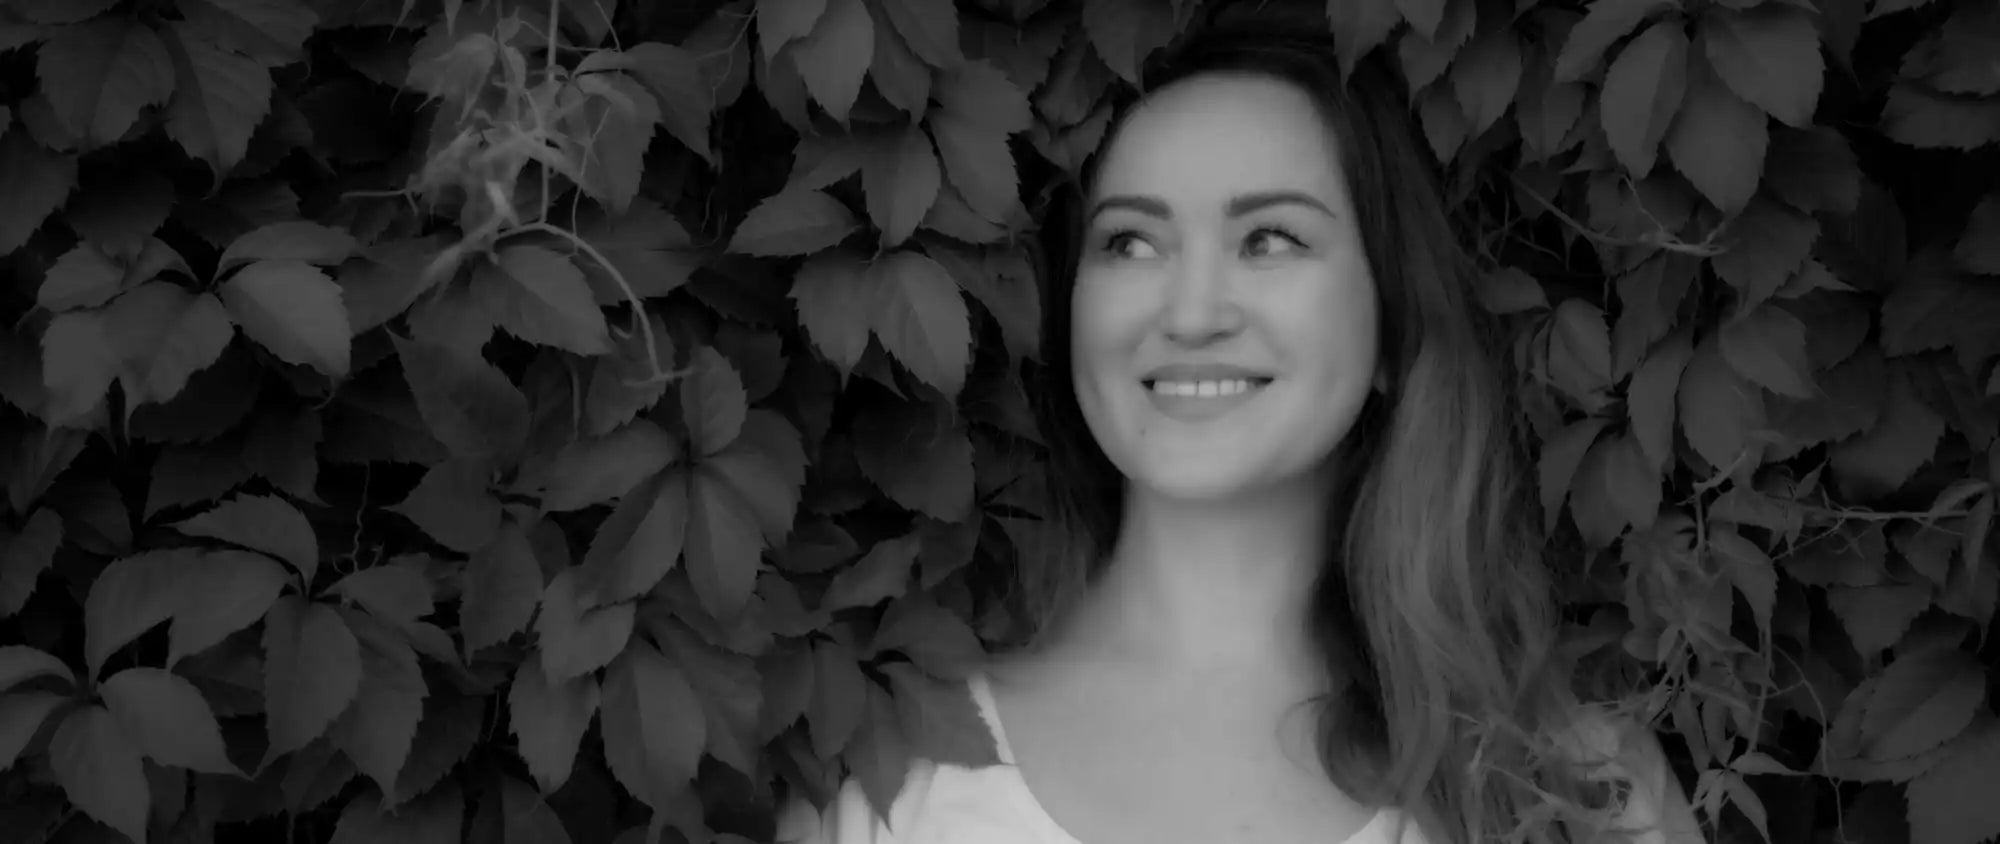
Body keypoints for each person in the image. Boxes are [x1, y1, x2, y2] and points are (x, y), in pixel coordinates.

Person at [788, 15, 1705, 844]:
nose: (1190, 314)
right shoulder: (888, 772)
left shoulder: (1572, 792)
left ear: (1392, 322)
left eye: (1270, 239)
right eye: (1130, 243)